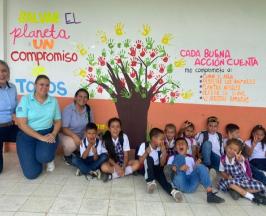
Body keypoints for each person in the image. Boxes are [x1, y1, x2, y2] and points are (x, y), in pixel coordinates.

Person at [16, 75, 61, 179]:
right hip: (27, 135)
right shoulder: (25, 99)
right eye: (41, 84)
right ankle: (35, 157)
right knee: (31, 174)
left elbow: (58, 121)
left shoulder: (53, 101)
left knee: (44, 156)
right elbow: (22, 124)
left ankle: (47, 158)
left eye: (47, 85)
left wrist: (53, 134)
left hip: (47, 132)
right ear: (35, 85)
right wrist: (41, 138)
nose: (44, 87)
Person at [169, 137, 224, 203]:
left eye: (183, 143)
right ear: (175, 148)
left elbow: (193, 171)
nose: (181, 145)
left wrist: (196, 165)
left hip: (191, 184)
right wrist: (179, 168)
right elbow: (169, 170)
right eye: (178, 144)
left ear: (188, 148)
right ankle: (208, 179)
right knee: (180, 156)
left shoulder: (191, 158)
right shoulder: (172, 157)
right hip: (180, 181)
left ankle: (210, 194)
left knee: (200, 167)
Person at [138, 127, 182, 202]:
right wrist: (146, 152)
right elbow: (140, 162)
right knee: (149, 159)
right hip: (146, 169)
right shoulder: (144, 145)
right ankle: (150, 182)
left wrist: (164, 152)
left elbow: (161, 164)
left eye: (163, 139)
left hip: (157, 169)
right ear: (153, 138)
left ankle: (173, 191)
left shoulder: (161, 148)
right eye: (161, 139)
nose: (163, 141)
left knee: (163, 177)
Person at [219, 138, 265, 204]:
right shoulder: (223, 159)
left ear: (238, 152)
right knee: (231, 184)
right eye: (230, 148)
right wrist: (227, 176)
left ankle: (239, 192)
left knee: (261, 186)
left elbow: (241, 159)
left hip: (243, 180)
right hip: (232, 180)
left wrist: (239, 159)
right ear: (226, 147)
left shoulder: (239, 157)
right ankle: (251, 197)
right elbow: (222, 171)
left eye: (235, 150)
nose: (231, 151)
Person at [59, 88, 94, 164]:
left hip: (83, 134)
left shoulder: (88, 109)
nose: (82, 99)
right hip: (68, 134)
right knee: (71, 144)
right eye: (80, 96)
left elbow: (91, 126)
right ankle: (67, 156)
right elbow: (64, 128)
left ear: (87, 99)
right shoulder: (68, 109)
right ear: (75, 98)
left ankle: (77, 152)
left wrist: (91, 136)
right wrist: (74, 136)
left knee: (93, 143)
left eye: (85, 97)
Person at [0, 60, 18, 174]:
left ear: (8, 72)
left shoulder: (12, 87)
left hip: (11, 125)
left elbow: (16, 106)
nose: (2, 74)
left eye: (4, 71)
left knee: (28, 135)